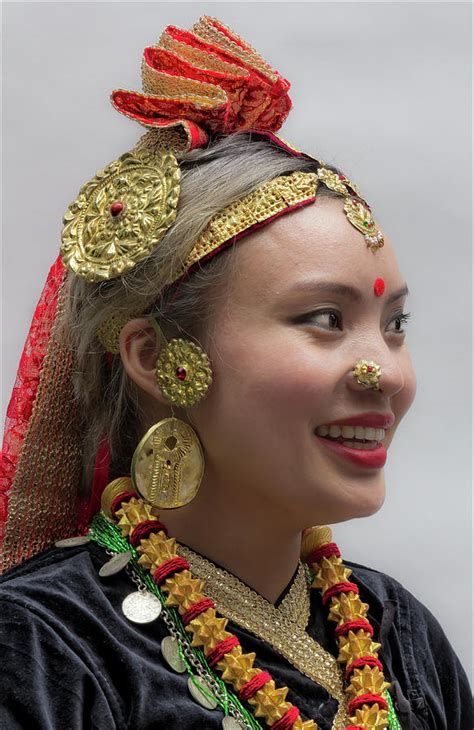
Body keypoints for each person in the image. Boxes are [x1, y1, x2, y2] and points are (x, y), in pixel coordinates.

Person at [0, 15, 471, 730]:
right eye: (323, 319)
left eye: (394, 325)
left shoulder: (398, 632)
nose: (387, 374)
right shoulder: (42, 648)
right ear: (155, 359)